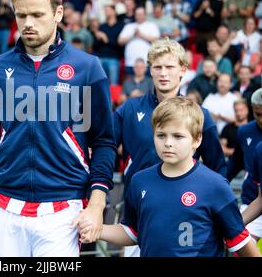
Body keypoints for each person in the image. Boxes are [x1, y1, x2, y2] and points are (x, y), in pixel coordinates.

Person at [0, 0, 116, 257]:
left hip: (63, 211)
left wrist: (96, 205)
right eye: (21, 15)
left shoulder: (88, 68)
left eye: (37, 14)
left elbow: (104, 142)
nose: (28, 23)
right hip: (6, 207)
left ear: (58, 13)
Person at [78, 97, 260, 257]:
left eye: (178, 136)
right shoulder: (139, 181)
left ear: (197, 140)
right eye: (161, 135)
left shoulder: (215, 186)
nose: (168, 143)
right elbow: (133, 232)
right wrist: (97, 229)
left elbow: (241, 241)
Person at [113, 38, 227, 257]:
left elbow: (218, 169)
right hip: (138, 211)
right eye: (158, 67)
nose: (163, 73)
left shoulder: (201, 116)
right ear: (150, 70)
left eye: (170, 67)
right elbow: (105, 146)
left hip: (186, 212)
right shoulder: (129, 109)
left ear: (183, 70)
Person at [229, 89, 262, 242]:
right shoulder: (245, 132)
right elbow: (234, 163)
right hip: (251, 200)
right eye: (258, 114)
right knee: (241, 245)